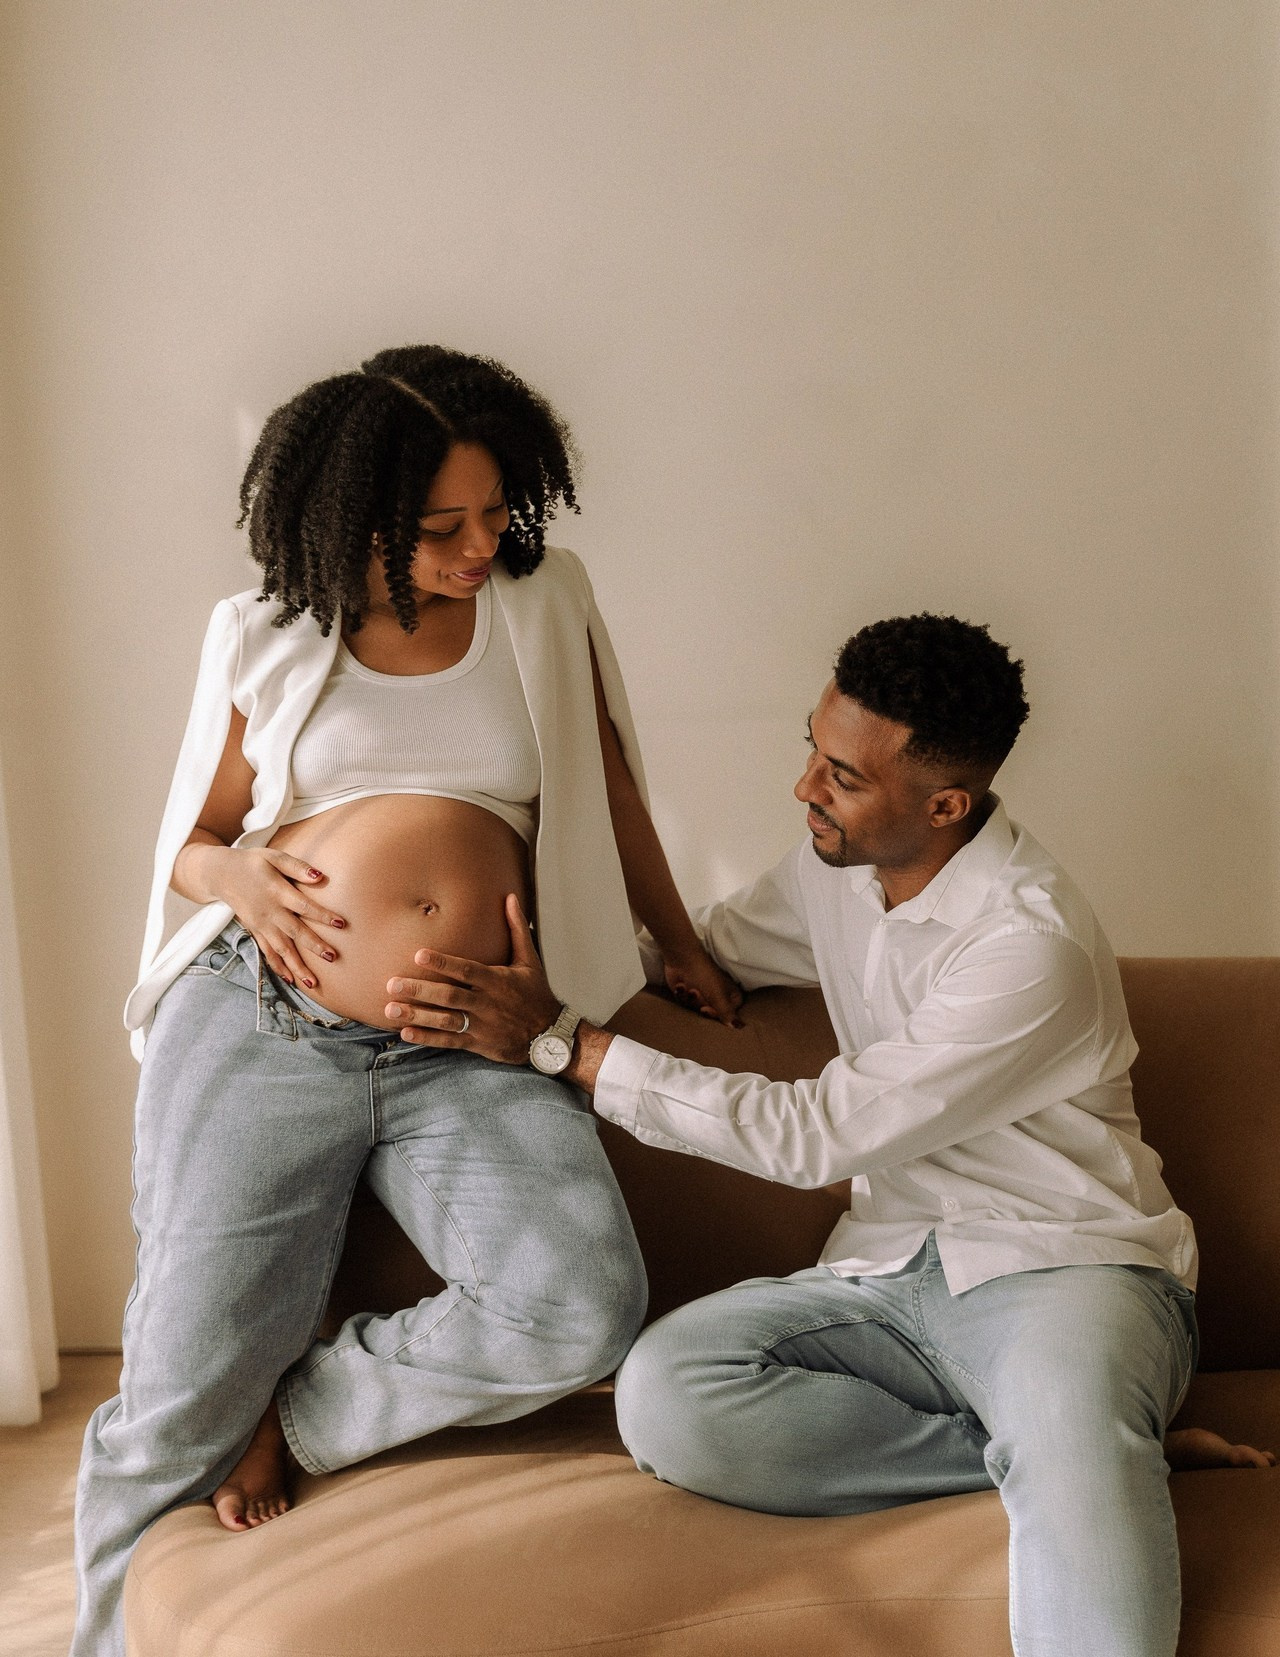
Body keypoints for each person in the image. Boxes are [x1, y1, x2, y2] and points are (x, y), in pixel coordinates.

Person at [386, 612, 1274, 1657]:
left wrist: (566, 1046)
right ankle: (1085, 1443)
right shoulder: (831, 873)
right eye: (810, 746)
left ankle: (1081, 1439)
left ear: (943, 804)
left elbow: (814, 1133)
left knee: (1071, 1433)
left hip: (1064, 1269)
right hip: (884, 1279)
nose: (805, 785)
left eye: (842, 775)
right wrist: (526, 960)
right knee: (668, 1391)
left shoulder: (1030, 946)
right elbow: (700, 952)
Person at [72, 345, 741, 1657]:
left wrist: (677, 941)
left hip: (472, 1042)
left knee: (578, 1302)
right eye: (445, 527)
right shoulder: (262, 630)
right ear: (358, 513)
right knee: (169, 1403)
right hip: (266, 1022)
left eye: (498, 512)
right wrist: (248, 878)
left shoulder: (544, 606)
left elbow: (605, 789)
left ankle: (302, 1408)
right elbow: (196, 842)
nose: (483, 543)